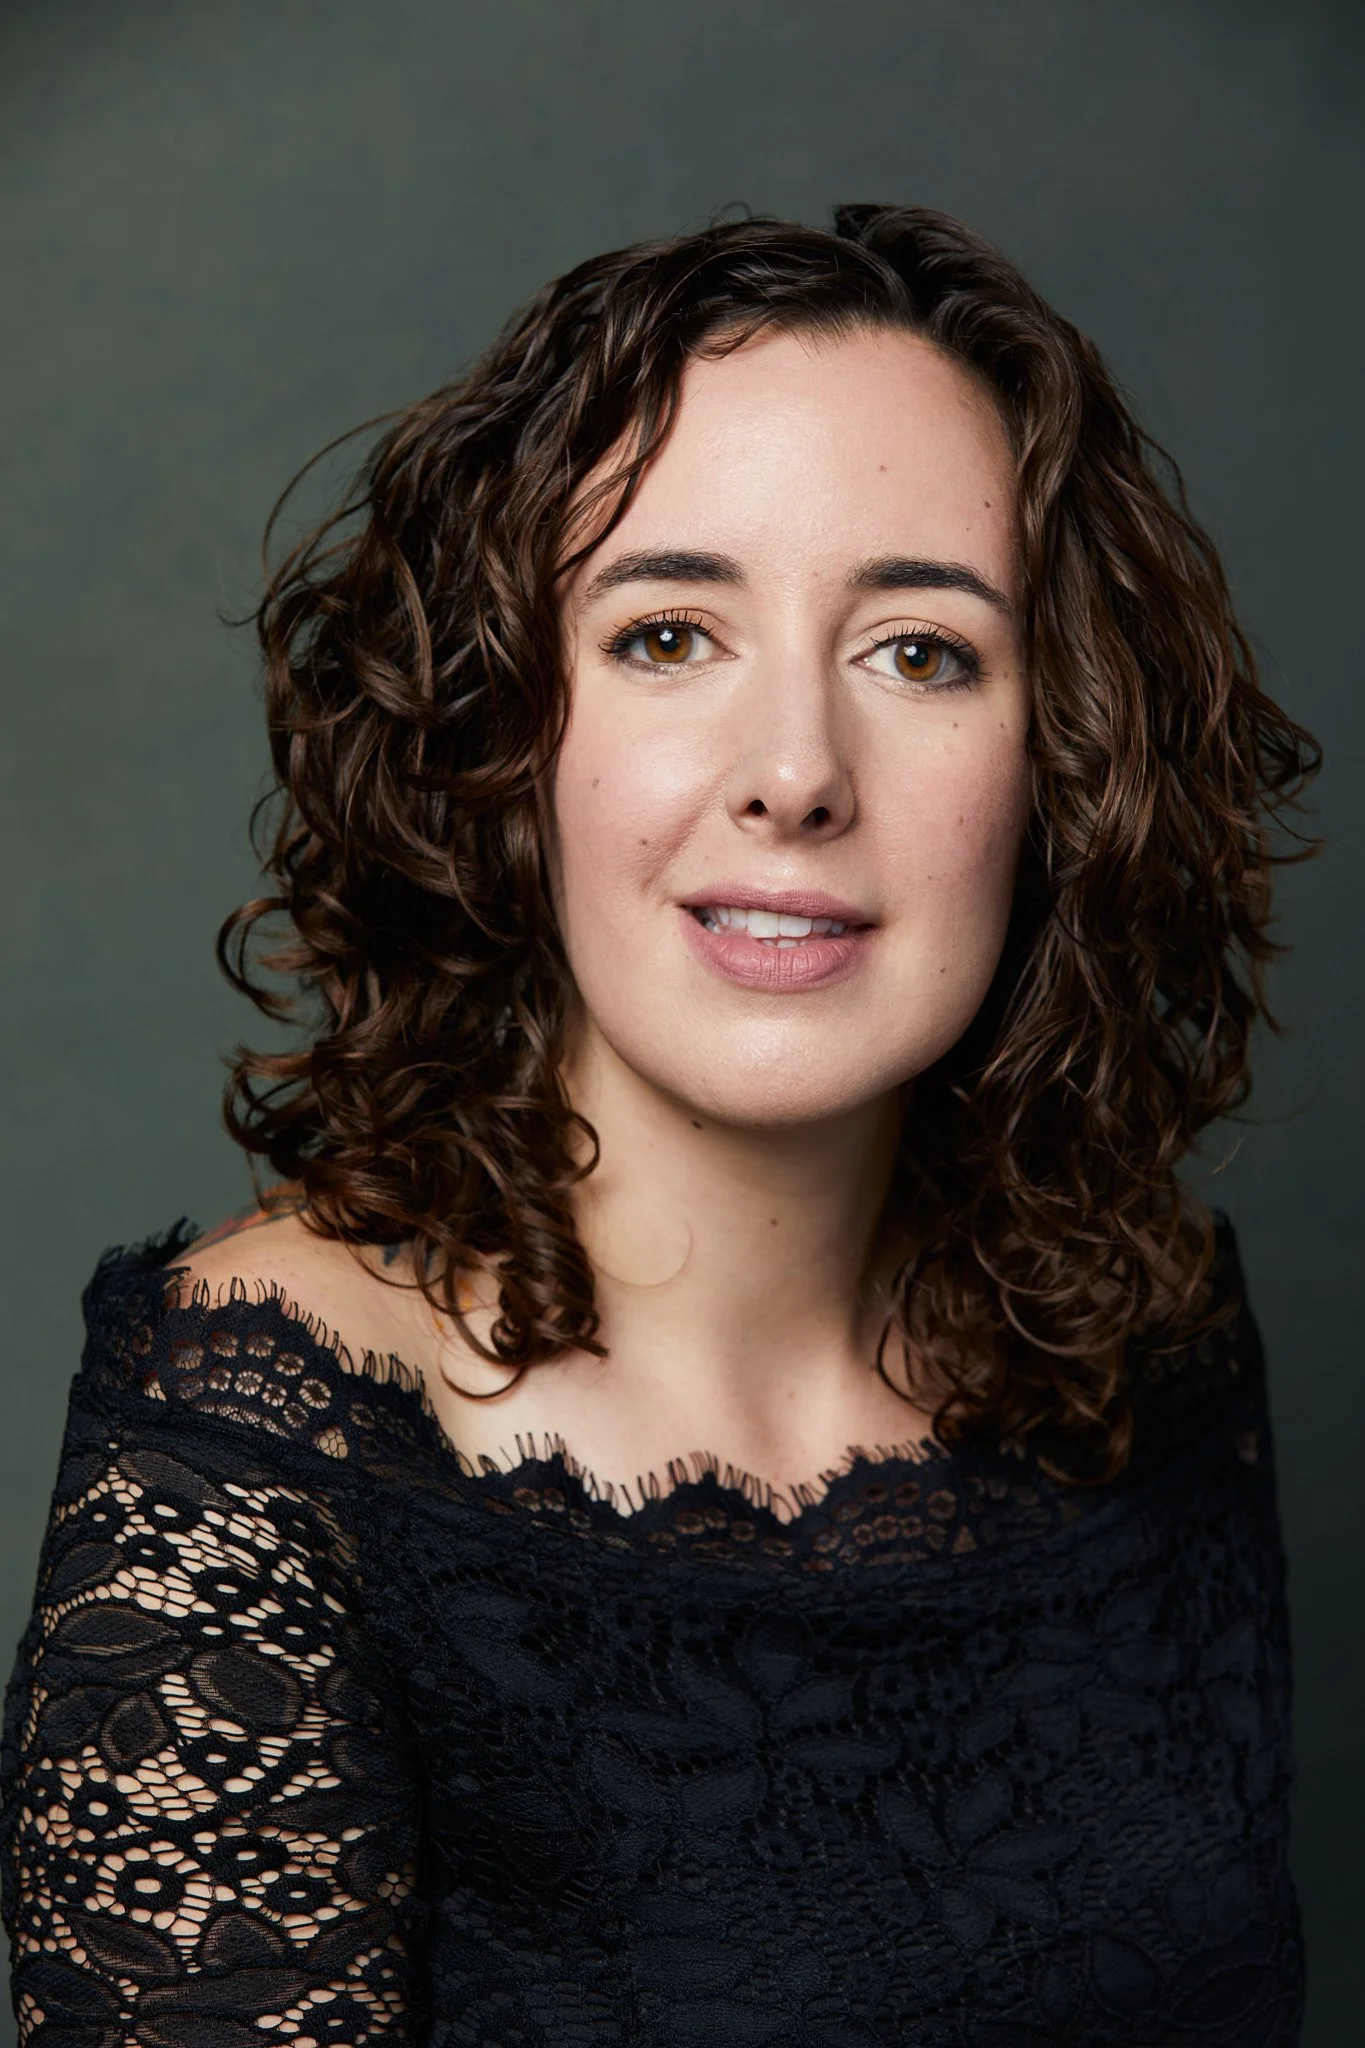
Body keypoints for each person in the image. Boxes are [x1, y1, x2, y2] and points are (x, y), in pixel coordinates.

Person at [1, 205, 1318, 2045]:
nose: (794, 770)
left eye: (922, 651)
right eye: (670, 632)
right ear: (506, 734)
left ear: (1064, 763)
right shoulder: (258, 1447)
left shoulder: (1151, 1339)